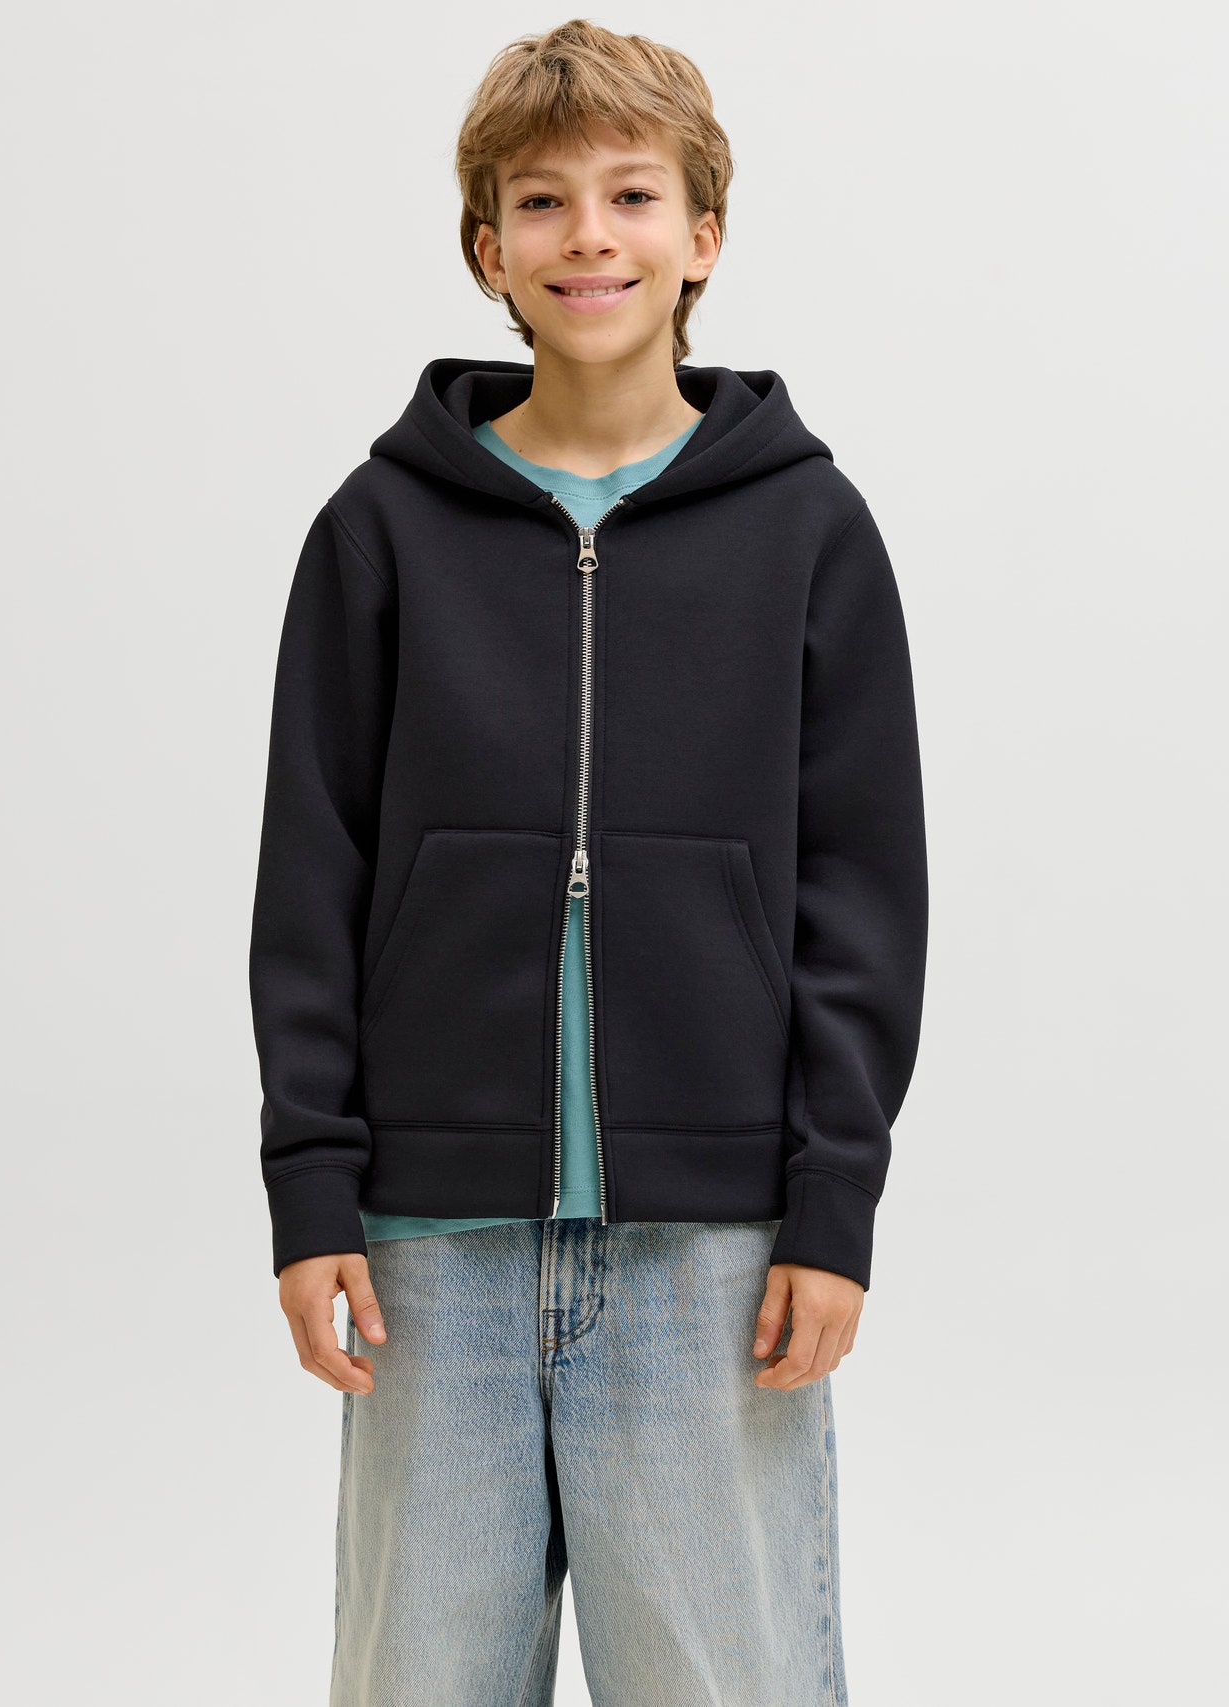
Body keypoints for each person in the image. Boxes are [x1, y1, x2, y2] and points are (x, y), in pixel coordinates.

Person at [247, 18, 928, 1706]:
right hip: (429, 1251)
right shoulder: (380, 532)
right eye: (542, 202)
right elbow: (310, 878)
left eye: (632, 195)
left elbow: (861, 897)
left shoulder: (809, 532)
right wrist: (312, 1186)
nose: (589, 237)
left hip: (714, 1252)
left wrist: (832, 1204)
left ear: (705, 236)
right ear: (488, 248)